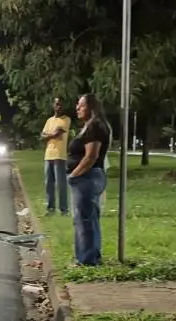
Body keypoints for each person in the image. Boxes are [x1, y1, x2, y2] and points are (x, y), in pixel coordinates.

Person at [66, 93, 110, 266]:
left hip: (87, 178)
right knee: (88, 219)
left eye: (81, 105)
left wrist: (74, 174)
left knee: (85, 221)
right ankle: (88, 257)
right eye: (78, 104)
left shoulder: (95, 127)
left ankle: (87, 261)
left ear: (91, 107)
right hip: (87, 178)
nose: (77, 108)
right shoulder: (90, 126)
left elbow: (91, 156)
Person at [40, 97, 72, 216]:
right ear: (53, 105)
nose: (59, 107)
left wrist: (48, 135)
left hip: (60, 155)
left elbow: (57, 133)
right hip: (48, 155)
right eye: (57, 104)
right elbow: (42, 136)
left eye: (61, 105)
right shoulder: (49, 120)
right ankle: (50, 208)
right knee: (49, 183)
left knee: (61, 183)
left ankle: (64, 209)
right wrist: (50, 135)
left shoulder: (66, 120)